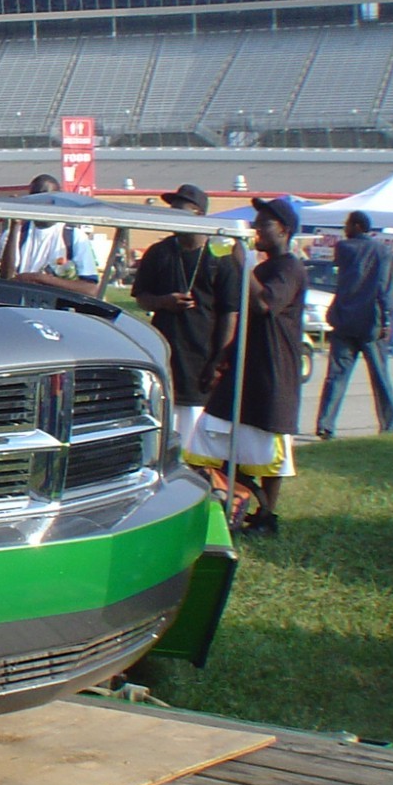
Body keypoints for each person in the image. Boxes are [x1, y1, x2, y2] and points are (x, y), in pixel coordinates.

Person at [184, 197, 308, 535]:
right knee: (217, 432)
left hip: (272, 368)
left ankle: (267, 515)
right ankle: (230, 498)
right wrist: (222, 357)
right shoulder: (265, 267)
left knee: (267, 442)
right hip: (244, 366)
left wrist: (243, 265)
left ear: (283, 230)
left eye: (264, 223)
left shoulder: (289, 268)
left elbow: (264, 304)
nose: (256, 228)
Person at [131, 183, 242, 446]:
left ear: (198, 213)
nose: (173, 215)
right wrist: (164, 302)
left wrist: (218, 359)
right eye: (172, 210)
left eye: (180, 210)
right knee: (162, 415)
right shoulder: (160, 252)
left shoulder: (219, 256)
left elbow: (230, 312)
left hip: (202, 356)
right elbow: (141, 296)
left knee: (197, 431)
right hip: (166, 349)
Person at [314, 211, 393, 438]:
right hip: (371, 321)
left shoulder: (344, 248)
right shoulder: (382, 252)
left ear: (358, 226)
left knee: (336, 376)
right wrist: (386, 319)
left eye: (348, 224)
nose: (345, 228)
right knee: (380, 377)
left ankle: (325, 423)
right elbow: (384, 287)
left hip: (344, 319)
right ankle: (389, 423)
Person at [0, 174, 100, 293]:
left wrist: (40, 279)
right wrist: (15, 224)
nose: (42, 203)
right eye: (36, 197)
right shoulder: (14, 233)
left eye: (48, 199)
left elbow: (90, 289)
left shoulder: (73, 236)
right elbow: (6, 277)